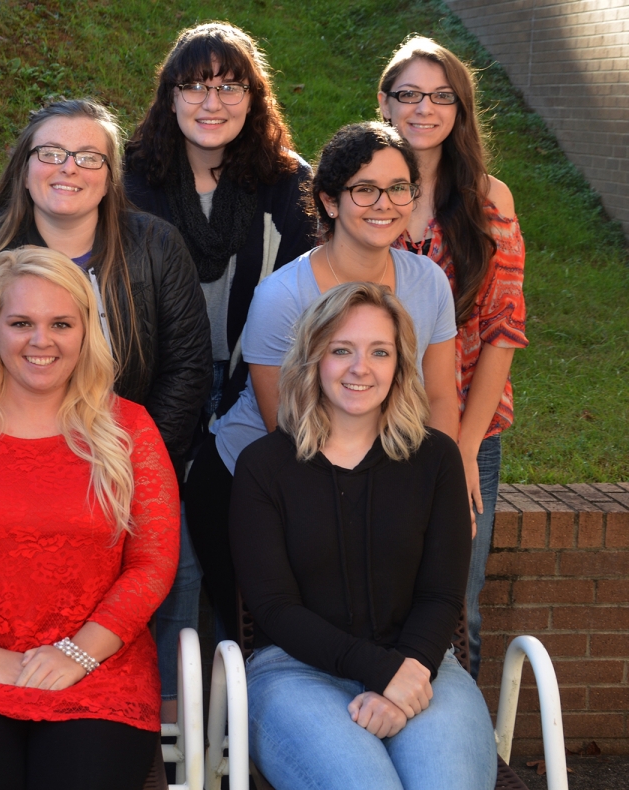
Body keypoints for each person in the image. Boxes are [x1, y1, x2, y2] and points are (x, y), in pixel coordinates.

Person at [0, 247, 180, 790]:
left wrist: (78, 654)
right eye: (21, 322)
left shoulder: (130, 430)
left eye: (60, 324)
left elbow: (152, 565)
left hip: (99, 671)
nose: (40, 341)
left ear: (85, 332)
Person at [187, 122, 459, 632]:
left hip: (371, 475)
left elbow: (441, 397)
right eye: (365, 189)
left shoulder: (427, 282)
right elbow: (286, 427)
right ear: (330, 202)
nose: (384, 203)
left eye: (398, 187)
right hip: (260, 479)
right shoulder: (283, 296)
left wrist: (436, 491)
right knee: (266, 637)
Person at [228, 282, 496, 790]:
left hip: (422, 663)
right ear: (313, 358)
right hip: (295, 672)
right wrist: (381, 672)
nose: (360, 368)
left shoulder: (436, 459)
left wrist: (403, 678)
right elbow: (274, 608)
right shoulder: (264, 468)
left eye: (380, 352)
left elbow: (442, 594)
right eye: (341, 351)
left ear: (400, 365)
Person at [123, 21, 316, 716]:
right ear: (168, 97)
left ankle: (235, 714)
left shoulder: (289, 185)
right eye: (194, 84)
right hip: (147, 385)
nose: (212, 100)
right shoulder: (131, 178)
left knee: (234, 550)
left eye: (229, 84)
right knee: (159, 553)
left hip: (252, 386)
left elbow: (302, 304)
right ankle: (160, 710)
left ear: (252, 96)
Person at [0, 98, 212, 479]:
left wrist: (136, 463)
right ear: (24, 170)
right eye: (51, 153)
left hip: (120, 469)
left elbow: (187, 370)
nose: (69, 167)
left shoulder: (158, 247)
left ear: (110, 178)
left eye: (89, 157)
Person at [380, 36, 528, 679]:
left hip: (465, 425)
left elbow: (502, 330)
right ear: (384, 103)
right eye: (409, 94)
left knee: (455, 601)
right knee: (375, 593)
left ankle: (460, 750)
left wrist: (463, 448)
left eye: (442, 96)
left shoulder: (489, 199)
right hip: (369, 422)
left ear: (461, 110)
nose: (424, 108)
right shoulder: (359, 188)